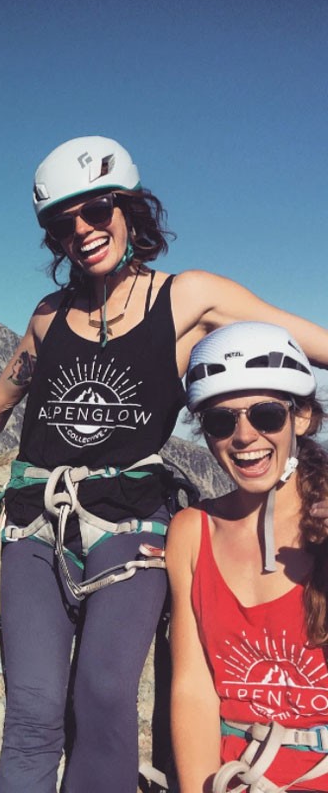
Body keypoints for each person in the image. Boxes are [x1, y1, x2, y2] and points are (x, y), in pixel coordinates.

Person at [0, 136, 328, 793]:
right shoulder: (51, 315)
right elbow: (5, 393)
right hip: (33, 519)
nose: (82, 230)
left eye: (96, 209)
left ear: (128, 207)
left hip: (131, 521)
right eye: (62, 223)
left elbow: (297, 335)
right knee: (33, 714)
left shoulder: (186, 298)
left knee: (103, 696)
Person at [168, 321, 328, 793]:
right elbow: (193, 690)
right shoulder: (192, 533)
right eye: (221, 421)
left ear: (301, 418)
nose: (243, 436)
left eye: (266, 416)